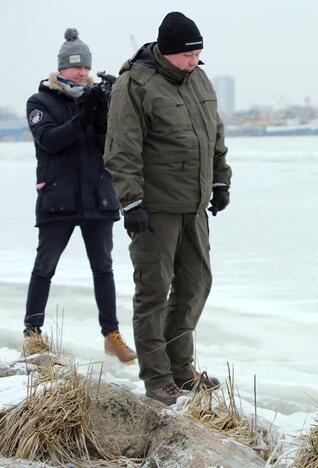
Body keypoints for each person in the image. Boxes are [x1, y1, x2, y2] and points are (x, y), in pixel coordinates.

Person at [104, 12, 232, 405]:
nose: (193, 61)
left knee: (195, 286)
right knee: (153, 291)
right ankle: (158, 377)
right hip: (154, 208)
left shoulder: (199, 79)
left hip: (193, 206)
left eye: (198, 53)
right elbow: (121, 149)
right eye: (186, 55)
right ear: (166, 51)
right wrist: (132, 201)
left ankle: (181, 368)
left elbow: (214, 132)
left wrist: (220, 179)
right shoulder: (136, 85)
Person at [23, 28, 136, 363]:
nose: (82, 73)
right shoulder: (39, 101)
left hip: (98, 198)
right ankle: (32, 333)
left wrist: (102, 113)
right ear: (61, 68)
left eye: (86, 67)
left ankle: (111, 335)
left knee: (104, 268)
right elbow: (50, 141)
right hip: (58, 198)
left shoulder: (97, 98)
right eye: (75, 67)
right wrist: (83, 118)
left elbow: (108, 147)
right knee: (44, 267)